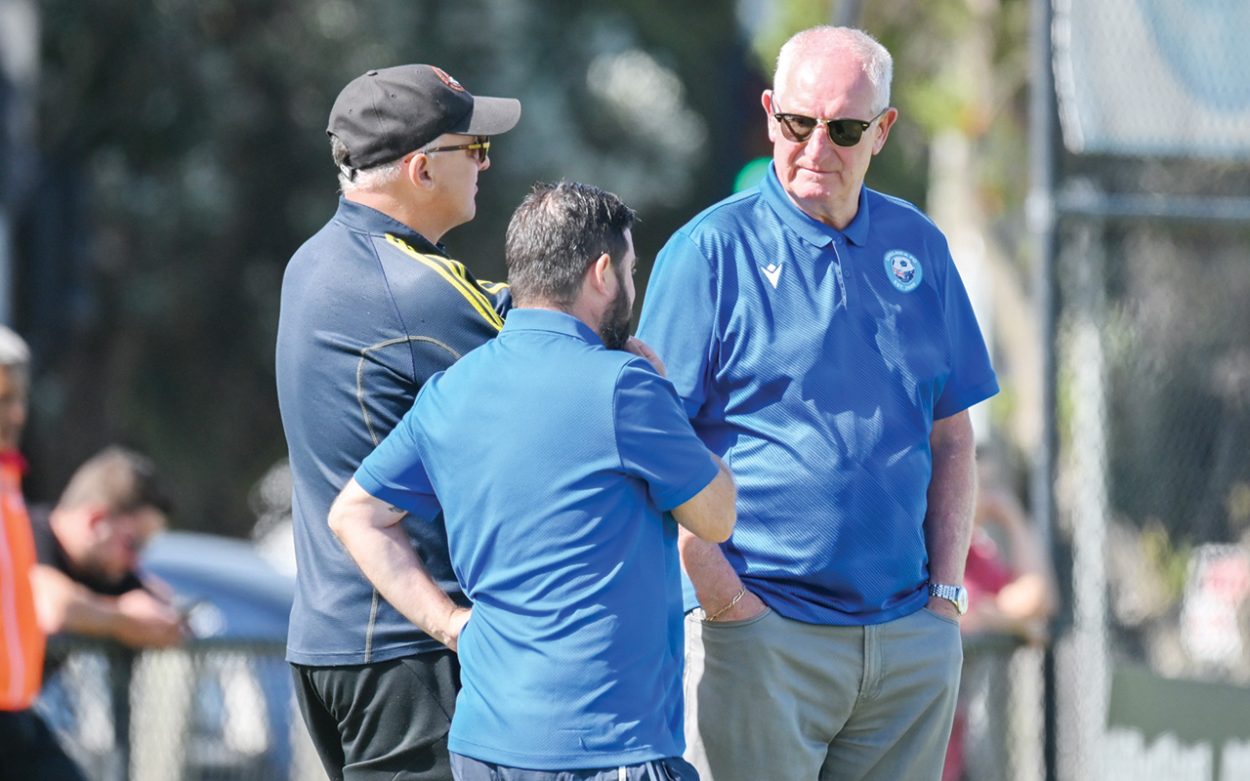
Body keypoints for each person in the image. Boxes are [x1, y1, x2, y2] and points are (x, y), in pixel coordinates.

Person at [636, 26, 1000, 781]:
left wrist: (944, 601)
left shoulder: (920, 246)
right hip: (758, 628)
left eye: (842, 128)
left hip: (904, 639)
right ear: (771, 113)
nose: (815, 147)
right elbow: (653, 447)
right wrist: (727, 603)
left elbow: (953, 439)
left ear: (883, 131)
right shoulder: (709, 252)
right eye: (798, 123)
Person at [328, 181, 737, 781]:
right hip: (609, 746)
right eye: (629, 269)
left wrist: (448, 623)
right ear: (602, 273)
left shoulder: (450, 391)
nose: (631, 287)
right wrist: (666, 400)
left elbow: (354, 515)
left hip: (485, 743)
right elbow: (716, 516)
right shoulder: (626, 386)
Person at [275, 63, 521, 781]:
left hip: (335, 636)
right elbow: (548, 358)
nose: (484, 164)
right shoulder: (411, 285)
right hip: (406, 644)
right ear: (420, 169)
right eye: (472, 148)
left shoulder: (316, 259)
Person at [0, 326, 86, 780]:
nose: (13, 414)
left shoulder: (10, 484)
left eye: (17, 399)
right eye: (0, 400)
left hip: (16, 714)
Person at [942, 453, 1056, 781]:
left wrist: (1012, 516)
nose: (987, 496)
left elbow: (1040, 597)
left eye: (992, 486)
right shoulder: (931, 544)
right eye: (981, 484)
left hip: (954, 760)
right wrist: (1012, 622)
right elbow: (966, 615)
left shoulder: (976, 553)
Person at [30, 446, 182, 651]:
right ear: (95, 522)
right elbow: (54, 608)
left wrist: (164, 616)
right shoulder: (25, 534)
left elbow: (160, 603)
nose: (134, 561)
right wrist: (123, 619)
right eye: (132, 544)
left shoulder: (103, 571)